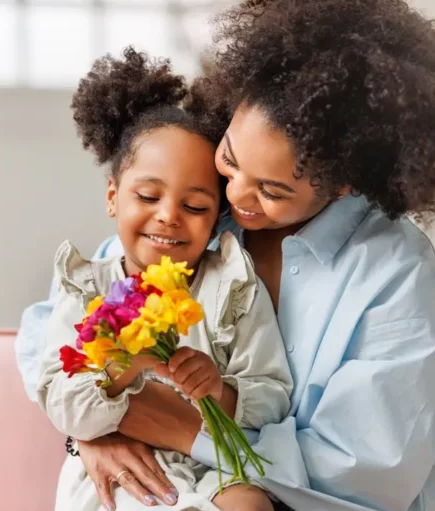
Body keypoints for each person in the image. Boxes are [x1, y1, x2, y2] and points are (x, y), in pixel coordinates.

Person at [16, 1, 435, 509]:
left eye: (271, 190)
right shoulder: (198, 212)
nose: (238, 197)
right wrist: (94, 432)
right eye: (230, 158)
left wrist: (181, 427)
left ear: (341, 185)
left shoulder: (393, 268)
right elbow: (49, 331)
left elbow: (369, 470)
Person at [37, 48, 293, 511]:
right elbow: (62, 403)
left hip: (215, 464)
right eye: (149, 196)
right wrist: (119, 370)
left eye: (195, 207)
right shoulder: (87, 293)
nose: (169, 217)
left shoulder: (231, 289)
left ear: (218, 219)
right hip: (124, 472)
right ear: (113, 196)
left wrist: (220, 389)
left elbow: (274, 395)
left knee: (251, 504)